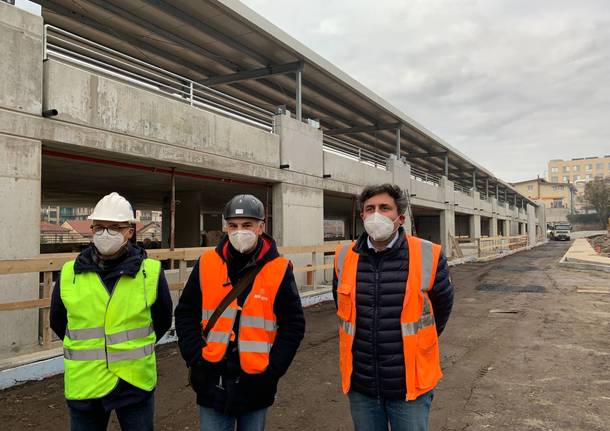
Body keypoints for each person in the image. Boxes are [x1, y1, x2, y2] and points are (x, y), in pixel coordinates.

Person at [175, 194, 305, 431]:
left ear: (261, 227)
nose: (239, 232)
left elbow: (293, 325)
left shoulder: (278, 269)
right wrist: (195, 357)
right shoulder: (207, 264)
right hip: (211, 378)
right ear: (225, 227)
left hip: (256, 381)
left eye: (247, 225)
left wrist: (273, 370)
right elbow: (185, 313)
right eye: (233, 226)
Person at [333, 184, 454, 431]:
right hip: (362, 385)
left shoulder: (428, 254)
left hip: (409, 386)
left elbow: (440, 311)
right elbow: (344, 311)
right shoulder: (344, 257)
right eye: (370, 209)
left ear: (400, 217)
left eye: (384, 208)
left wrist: (417, 345)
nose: (376, 214)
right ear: (362, 216)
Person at [50, 192, 173, 431]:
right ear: (92, 229)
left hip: (134, 383)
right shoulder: (69, 274)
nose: (106, 234)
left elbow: (162, 320)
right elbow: (59, 322)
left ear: (130, 231)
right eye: (99, 227)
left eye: (114, 227)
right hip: (86, 386)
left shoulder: (150, 272)